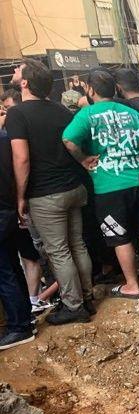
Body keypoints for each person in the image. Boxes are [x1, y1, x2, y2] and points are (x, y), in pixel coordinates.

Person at [62, 69, 139, 300]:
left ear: (89, 89)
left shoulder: (87, 114)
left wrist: (83, 159)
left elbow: (68, 140)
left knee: (120, 236)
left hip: (109, 185)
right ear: (115, 89)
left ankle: (132, 285)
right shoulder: (130, 113)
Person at [7, 60, 94, 326]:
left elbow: (21, 159)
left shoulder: (17, 114)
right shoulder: (61, 110)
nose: (13, 73)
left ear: (25, 83)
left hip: (45, 194)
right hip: (73, 188)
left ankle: (73, 305)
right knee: (77, 245)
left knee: (58, 251)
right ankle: (86, 297)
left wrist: (20, 196)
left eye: (18, 70)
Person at [0, 102, 34, 349]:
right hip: (9, 208)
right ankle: (25, 317)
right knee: (12, 265)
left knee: (4, 272)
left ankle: (19, 326)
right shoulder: (5, 139)